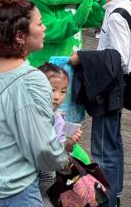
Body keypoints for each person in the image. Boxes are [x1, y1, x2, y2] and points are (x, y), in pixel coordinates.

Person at [0, 0, 75, 206]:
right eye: (39, 24)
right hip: (10, 191)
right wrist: (64, 160)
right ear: (20, 36)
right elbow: (43, 149)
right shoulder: (32, 80)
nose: (44, 28)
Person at [69, 0, 131, 207]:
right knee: (112, 143)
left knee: (103, 148)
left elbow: (120, 59)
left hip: (110, 88)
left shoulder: (117, 14)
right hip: (112, 87)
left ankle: (107, 199)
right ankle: (114, 195)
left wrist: (83, 58)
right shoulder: (122, 5)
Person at [36, 63, 88, 196]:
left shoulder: (56, 114)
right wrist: (68, 144)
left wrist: (69, 140)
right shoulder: (38, 116)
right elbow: (50, 150)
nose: (58, 96)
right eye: (52, 90)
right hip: (43, 175)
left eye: (63, 91)